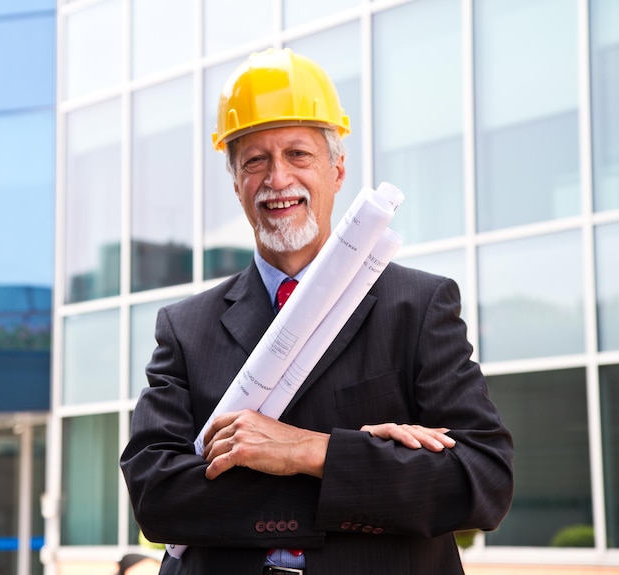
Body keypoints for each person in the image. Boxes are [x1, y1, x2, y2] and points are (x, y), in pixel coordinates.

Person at [120, 48, 514, 575]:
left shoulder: (417, 307)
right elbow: (156, 496)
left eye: (298, 154)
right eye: (254, 160)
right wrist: (367, 474)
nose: (277, 178)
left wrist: (309, 452)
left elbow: (481, 479)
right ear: (236, 183)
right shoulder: (186, 329)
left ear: (337, 169)